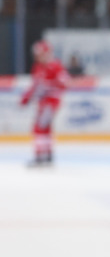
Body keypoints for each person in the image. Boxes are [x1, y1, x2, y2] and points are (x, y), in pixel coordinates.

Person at [19, 40, 69, 168]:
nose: (37, 57)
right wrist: (26, 98)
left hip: (51, 102)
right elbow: (35, 86)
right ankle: (46, 155)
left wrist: (49, 88)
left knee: (40, 127)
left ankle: (41, 156)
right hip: (43, 103)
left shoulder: (55, 66)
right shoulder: (37, 67)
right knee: (43, 127)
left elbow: (65, 83)